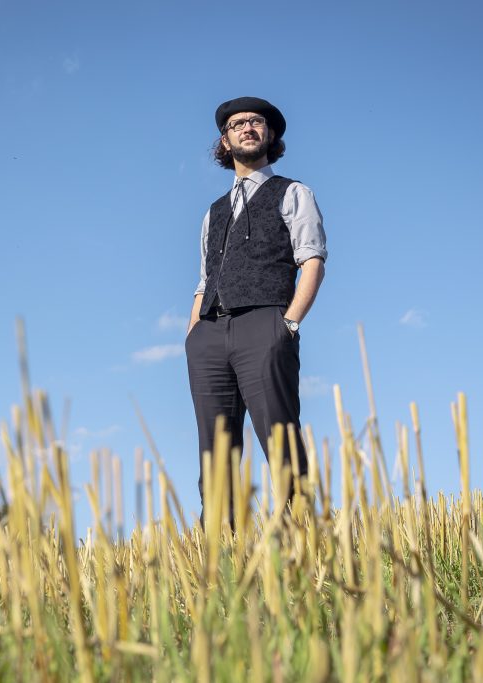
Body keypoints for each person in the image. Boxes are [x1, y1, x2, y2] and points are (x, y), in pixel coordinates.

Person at [185, 96, 327, 521]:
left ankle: (300, 541)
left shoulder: (293, 192)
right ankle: (222, 553)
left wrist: (288, 324)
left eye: (256, 122)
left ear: (270, 135)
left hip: (265, 322)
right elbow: (204, 279)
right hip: (210, 332)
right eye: (236, 124)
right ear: (224, 142)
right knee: (215, 450)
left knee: (279, 437)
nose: (247, 127)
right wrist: (192, 335)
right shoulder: (213, 212)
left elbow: (313, 259)